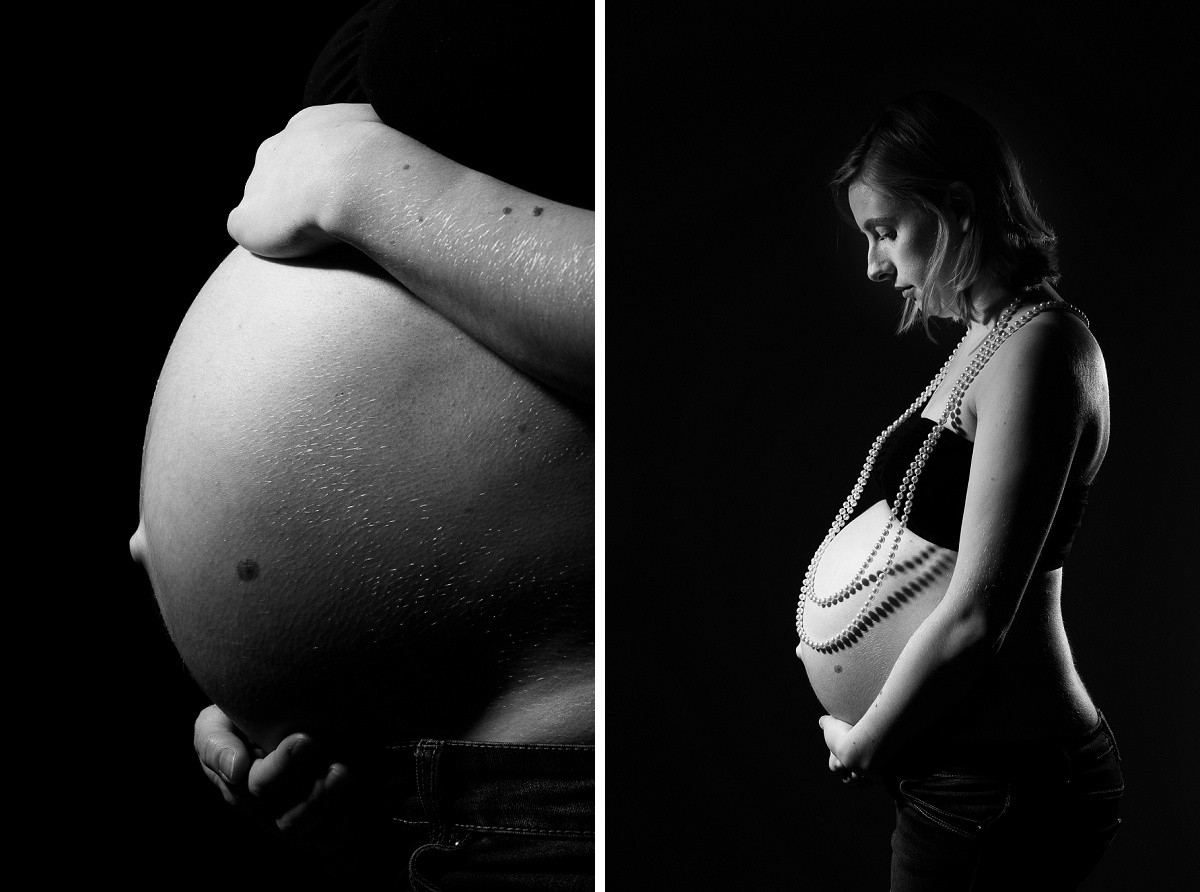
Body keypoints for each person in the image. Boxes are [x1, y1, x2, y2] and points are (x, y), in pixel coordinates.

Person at [130, 1, 595, 887]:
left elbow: (715, 344)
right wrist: (268, 685)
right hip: (384, 792)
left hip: (571, 780)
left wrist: (373, 185)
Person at [793, 91, 1122, 890]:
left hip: (1004, 785)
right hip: (965, 779)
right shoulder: (990, 338)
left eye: (886, 232)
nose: (875, 264)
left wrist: (867, 742)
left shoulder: (1042, 350)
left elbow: (978, 614)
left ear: (958, 207)